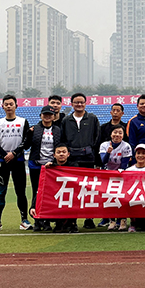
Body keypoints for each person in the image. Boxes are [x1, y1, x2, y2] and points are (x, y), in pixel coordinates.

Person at [0, 95, 32, 232]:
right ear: (2, 106)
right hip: (2, 162)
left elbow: (26, 142)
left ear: (16, 106)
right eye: (6, 104)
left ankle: (24, 220)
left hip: (18, 161)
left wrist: (15, 153)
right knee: (0, 193)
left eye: (11, 104)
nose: (8, 106)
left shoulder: (23, 122)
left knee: (21, 192)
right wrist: (5, 154)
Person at [60, 92, 101, 229]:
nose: (79, 104)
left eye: (81, 102)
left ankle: (89, 218)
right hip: (72, 160)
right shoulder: (66, 120)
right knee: (73, 190)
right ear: (71, 104)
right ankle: (73, 220)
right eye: (76, 102)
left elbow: (97, 137)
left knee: (89, 189)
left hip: (88, 158)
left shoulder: (92, 118)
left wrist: (93, 154)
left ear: (85, 103)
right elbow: (63, 139)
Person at [25, 106, 60, 231]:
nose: (47, 116)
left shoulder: (57, 130)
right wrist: (29, 134)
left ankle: (47, 220)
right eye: (45, 114)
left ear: (54, 116)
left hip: (51, 167)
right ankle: (37, 220)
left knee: (49, 193)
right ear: (41, 115)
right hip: (36, 165)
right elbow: (26, 146)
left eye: (50, 114)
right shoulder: (35, 129)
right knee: (37, 192)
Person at [99, 124, 133, 231]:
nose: (117, 135)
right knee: (110, 197)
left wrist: (119, 174)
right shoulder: (104, 145)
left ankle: (122, 220)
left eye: (120, 133)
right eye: (115, 132)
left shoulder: (126, 146)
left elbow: (124, 164)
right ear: (111, 134)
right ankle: (112, 220)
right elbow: (103, 162)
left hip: (120, 175)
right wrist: (108, 153)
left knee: (121, 197)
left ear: (123, 135)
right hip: (107, 175)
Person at [44, 145, 80, 233]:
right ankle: (58, 222)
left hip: (71, 194)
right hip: (57, 195)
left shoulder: (74, 166)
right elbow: (43, 188)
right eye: (58, 152)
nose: (61, 154)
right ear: (54, 155)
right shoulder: (50, 167)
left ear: (68, 154)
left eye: (64, 152)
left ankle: (72, 223)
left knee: (75, 198)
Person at [125, 144, 145, 232]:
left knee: (144, 227)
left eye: (143, 153)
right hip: (133, 198)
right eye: (138, 153)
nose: (141, 156)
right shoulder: (128, 171)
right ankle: (132, 222)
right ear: (135, 155)